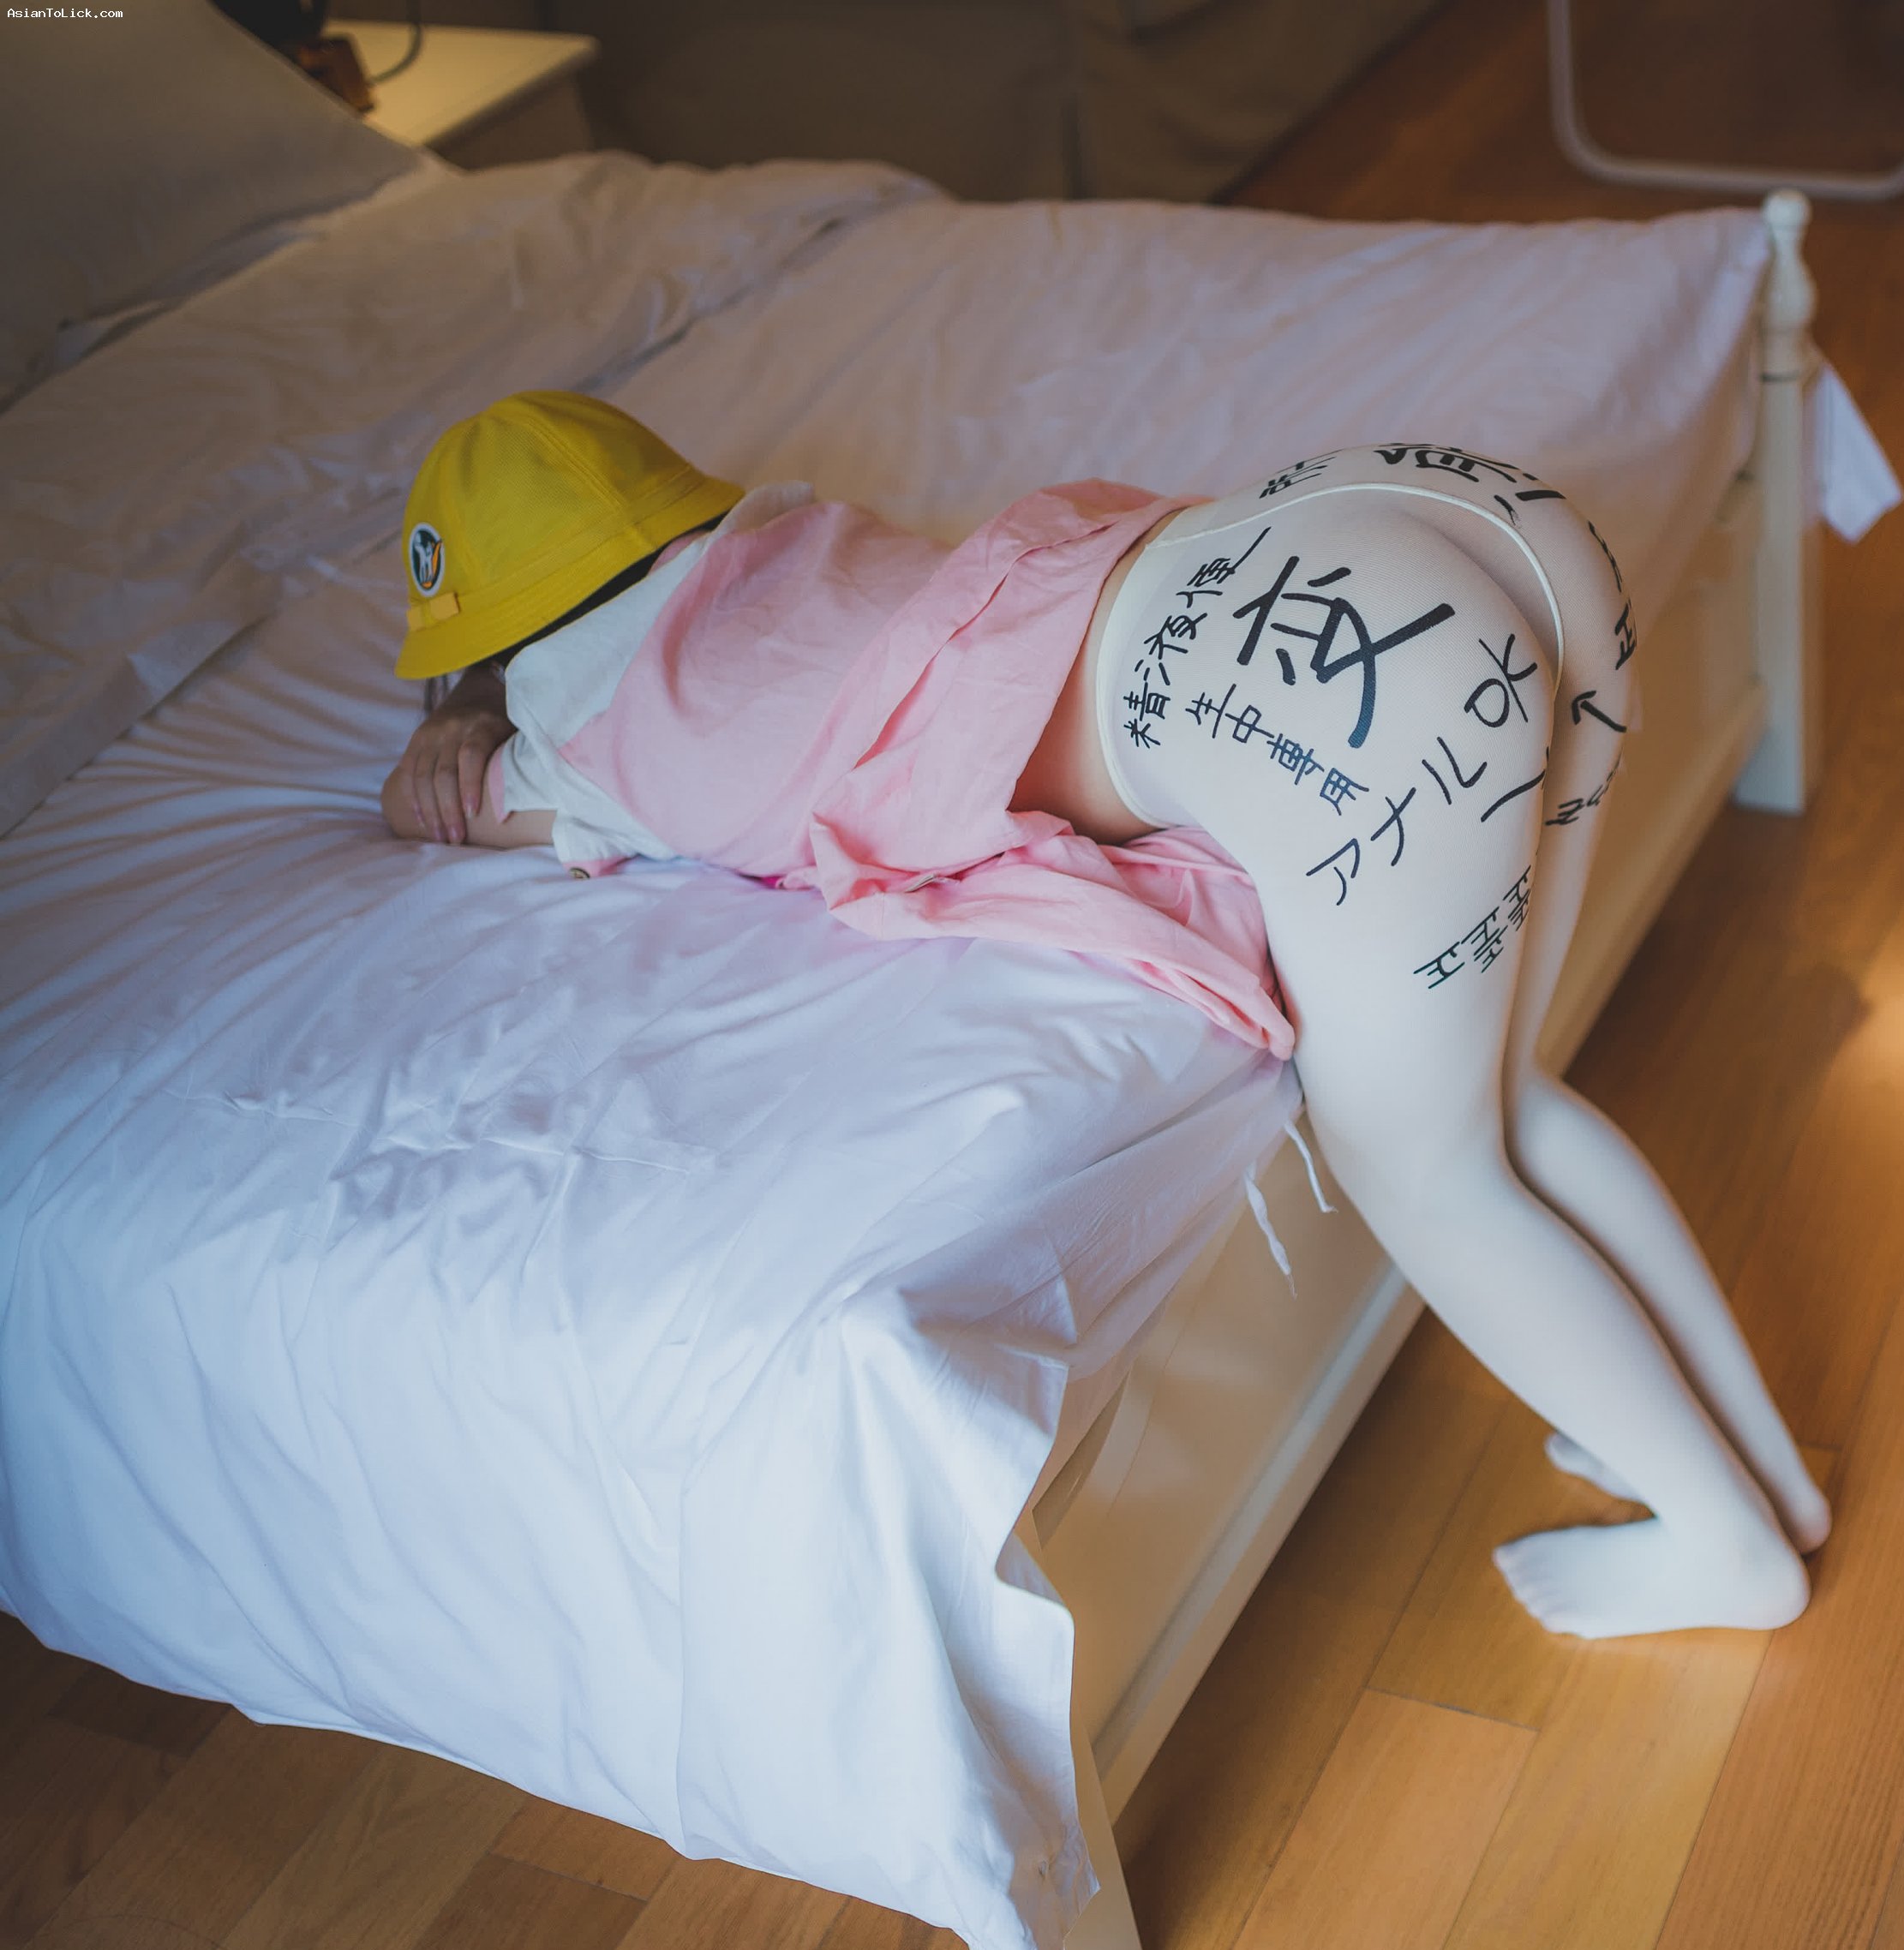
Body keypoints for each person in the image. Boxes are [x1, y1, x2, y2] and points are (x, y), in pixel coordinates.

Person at [382, 392, 1830, 1637]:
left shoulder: (604, 725)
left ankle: (1726, 1542)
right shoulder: (791, 542)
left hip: (1320, 676)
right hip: (1438, 520)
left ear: (507, 650)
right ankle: (1755, 1471)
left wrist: (463, 723)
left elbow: (457, 806)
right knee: (1503, 1101)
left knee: (1421, 1165)